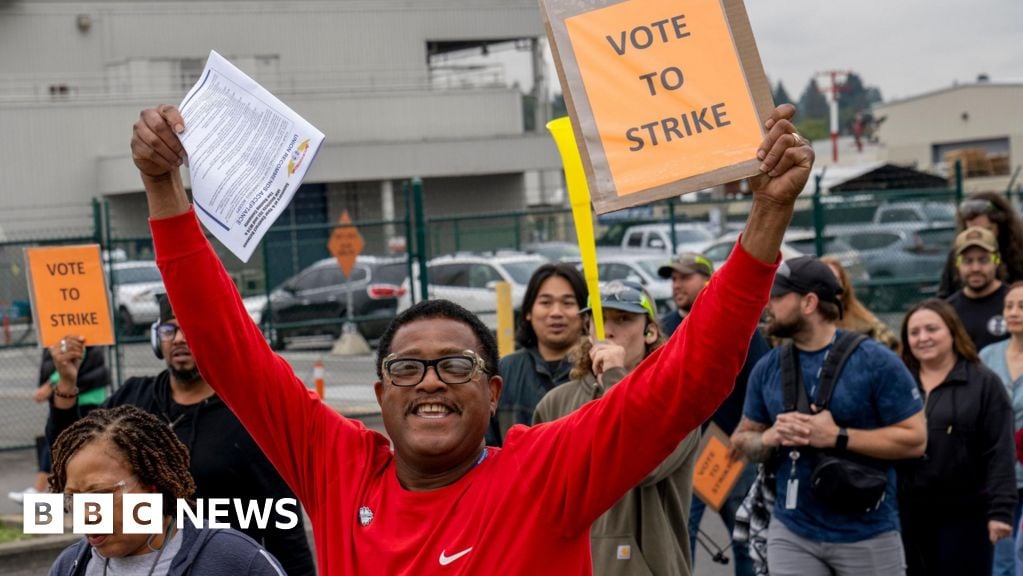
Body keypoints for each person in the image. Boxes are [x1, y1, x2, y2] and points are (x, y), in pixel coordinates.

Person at [130, 101, 812, 574]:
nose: (429, 381)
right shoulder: (336, 466)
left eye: (454, 365)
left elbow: (687, 379)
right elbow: (228, 347)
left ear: (491, 392)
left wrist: (766, 220)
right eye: (407, 369)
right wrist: (163, 187)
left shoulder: (542, 473)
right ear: (379, 393)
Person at [46, 294, 315, 576]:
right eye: (168, 329)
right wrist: (66, 383)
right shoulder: (132, 399)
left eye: (189, 328)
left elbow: (282, 522)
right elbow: (72, 454)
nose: (177, 338)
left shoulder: (247, 415)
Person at [731, 255, 927, 576]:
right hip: (792, 530)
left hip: (868, 531)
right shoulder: (768, 367)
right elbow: (740, 442)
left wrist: (838, 436)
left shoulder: (876, 361)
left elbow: (916, 439)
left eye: (778, 296)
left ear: (808, 302)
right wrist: (771, 437)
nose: (768, 305)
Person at [533, 280, 700, 575]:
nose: (609, 330)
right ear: (588, 330)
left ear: (649, 331)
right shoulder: (555, 403)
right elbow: (538, 498)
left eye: (624, 319)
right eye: (599, 319)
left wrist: (614, 376)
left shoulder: (677, 402)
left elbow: (641, 463)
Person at [48, 405, 287, 575]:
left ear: (152, 489)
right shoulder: (70, 565)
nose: (86, 514)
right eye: (72, 498)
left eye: (100, 495)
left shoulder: (236, 561)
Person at [658, 252, 768, 576]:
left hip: (730, 447)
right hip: (681, 451)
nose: (677, 284)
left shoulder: (735, 321)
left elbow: (759, 378)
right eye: (673, 278)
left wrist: (747, 431)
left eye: (685, 277)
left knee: (742, 537)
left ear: (707, 280)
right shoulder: (663, 329)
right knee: (682, 536)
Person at [898, 298, 1016, 576]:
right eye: (914, 333)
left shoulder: (983, 383)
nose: (923, 338)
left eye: (932, 329)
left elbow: (1000, 449)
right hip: (906, 512)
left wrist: (1000, 511)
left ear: (952, 331)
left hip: (966, 513)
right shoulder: (898, 381)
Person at [486, 262, 586, 446]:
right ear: (528, 312)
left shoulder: (596, 372)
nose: (556, 312)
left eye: (568, 303)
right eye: (545, 302)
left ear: (585, 314)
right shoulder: (505, 372)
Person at [8, 345, 110, 504]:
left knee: (65, 444)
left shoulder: (74, 328)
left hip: (83, 397)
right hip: (71, 394)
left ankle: (49, 492)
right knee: (55, 442)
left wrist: (51, 384)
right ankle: (46, 491)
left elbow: (75, 358)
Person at [981, 281, 1023, 576]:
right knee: (1003, 558)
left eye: (1022, 306)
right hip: (998, 478)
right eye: (1009, 306)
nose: (1014, 312)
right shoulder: (986, 357)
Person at [938, 192, 1023, 299]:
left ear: (1001, 227)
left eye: (987, 230)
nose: (980, 236)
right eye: (972, 231)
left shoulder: (1018, 254)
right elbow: (944, 296)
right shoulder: (956, 255)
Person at [947, 226, 1011, 351]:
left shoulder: (1014, 303)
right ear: (957, 263)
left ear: (996, 260)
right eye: (967, 261)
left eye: (983, 260)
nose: (975, 268)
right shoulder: (949, 310)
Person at [821, 255, 898, 350]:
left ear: (844, 284)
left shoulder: (865, 322)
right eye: (825, 281)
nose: (831, 285)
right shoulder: (809, 324)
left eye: (836, 280)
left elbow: (893, 347)